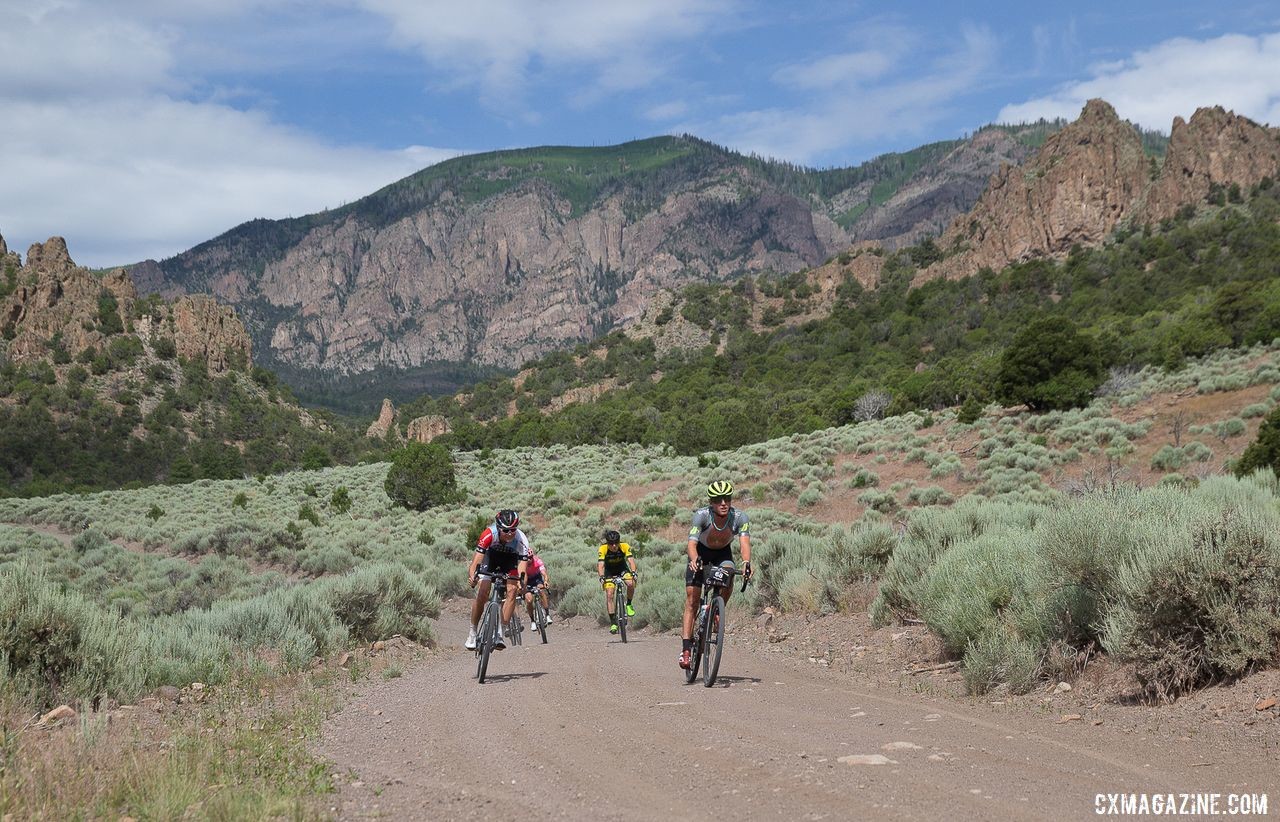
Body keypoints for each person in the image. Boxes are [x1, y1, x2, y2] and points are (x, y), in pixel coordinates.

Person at [680, 480, 752, 669]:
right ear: (711, 502)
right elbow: (691, 543)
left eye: (727, 499)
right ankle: (686, 650)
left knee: (729, 574)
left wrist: (746, 563)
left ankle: (717, 609)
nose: (723, 503)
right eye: (718, 500)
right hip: (700, 554)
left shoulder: (739, 517)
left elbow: (744, 543)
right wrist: (694, 559)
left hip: (722, 554)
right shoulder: (701, 516)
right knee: (692, 601)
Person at [466, 509, 530, 651]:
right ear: (498, 527)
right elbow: (476, 562)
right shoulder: (489, 534)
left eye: (513, 530)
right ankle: (472, 632)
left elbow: (522, 569)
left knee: (512, 590)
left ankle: (500, 631)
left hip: (510, 561)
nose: (510, 534)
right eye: (505, 530)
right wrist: (473, 576)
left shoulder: (521, 539)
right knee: (483, 593)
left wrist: (521, 582)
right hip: (491, 557)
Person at [597, 529, 638, 635]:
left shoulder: (624, 546)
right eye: (611, 543)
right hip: (609, 571)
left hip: (622, 569)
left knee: (630, 583)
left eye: (616, 543)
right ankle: (613, 622)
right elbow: (601, 565)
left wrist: (633, 572)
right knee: (609, 594)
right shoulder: (603, 548)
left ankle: (628, 604)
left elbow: (631, 560)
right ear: (607, 543)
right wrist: (601, 577)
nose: (614, 546)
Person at [524, 550, 553, 628]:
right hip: (527, 581)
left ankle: (547, 615)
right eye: (527, 558)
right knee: (529, 600)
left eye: (530, 557)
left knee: (541, 590)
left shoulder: (537, 561)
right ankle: (532, 621)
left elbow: (544, 573)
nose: (529, 560)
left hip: (537, 579)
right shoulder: (522, 564)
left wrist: (546, 581)